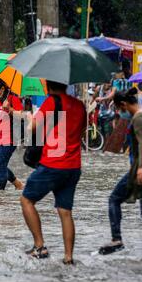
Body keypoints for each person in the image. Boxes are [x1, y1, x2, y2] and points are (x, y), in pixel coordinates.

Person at [21, 81, 87, 265]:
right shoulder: (79, 105)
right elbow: (82, 131)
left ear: (48, 86)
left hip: (53, 163)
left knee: (26, 200)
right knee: (65, 211)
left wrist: (29, 118)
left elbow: (32, 128)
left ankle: (40, 247)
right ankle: (68, 257)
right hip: (73, 166)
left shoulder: (51, 102)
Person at [99, 88, 142, 263]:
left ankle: (116, 239)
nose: (121, 112)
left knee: (114, 199)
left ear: (124, 104)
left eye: (120, 108)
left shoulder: (139, 118)